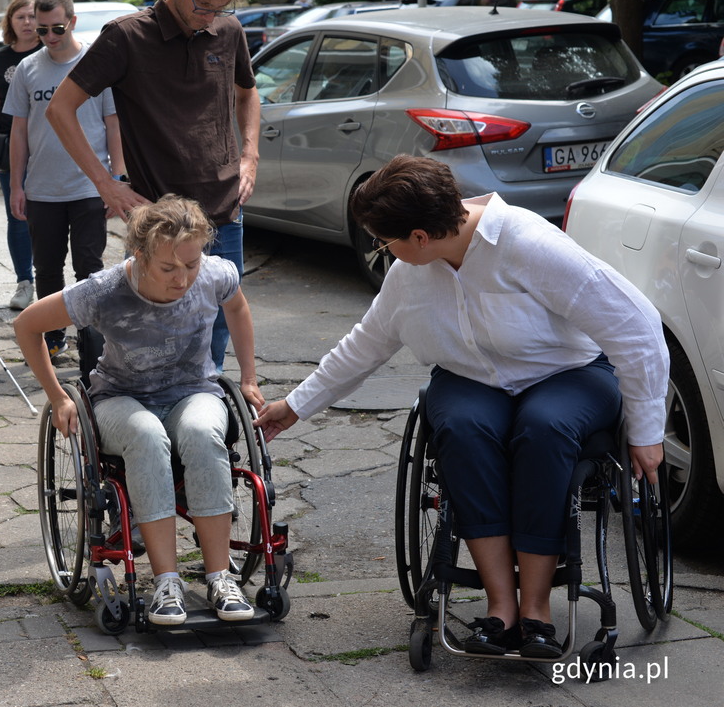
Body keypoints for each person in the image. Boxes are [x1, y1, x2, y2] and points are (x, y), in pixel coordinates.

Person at [255, 155, 669, 658]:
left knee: (544, 428)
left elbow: (635, 324)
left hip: (568, 372)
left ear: (420, 237)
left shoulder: (525, 242)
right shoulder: (409, 275)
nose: (384, 251)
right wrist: (297, 405)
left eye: (387, 241)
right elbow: (366, 343)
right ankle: (501, 607)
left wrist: (646, 430)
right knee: (461, 427)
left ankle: (536, 608)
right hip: (471, 379)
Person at [15, 195, 264, 625]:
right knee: (147, 435)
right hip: (120, 397)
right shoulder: (105, 290)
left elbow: (238, 307)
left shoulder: (216, 274)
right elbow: (27, 325)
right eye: (169, 268)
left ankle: (219, 576)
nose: (183, 278)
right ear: (140, 256)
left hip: (192, 389)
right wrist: (57, 396)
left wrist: (248, 377)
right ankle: (167, 582)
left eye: (191, 264)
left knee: (203, 434)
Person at [47, 0, 261, 374]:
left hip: (225, 209)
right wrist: (107, 184)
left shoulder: (228, 29)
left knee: (217, 331)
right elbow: (60, 109)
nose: (210, 16)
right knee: (152, 332)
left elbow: (248, 93)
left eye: (221, 7)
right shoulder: (127, 36)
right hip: (157, 217)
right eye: (202, 4)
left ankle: (210, 426)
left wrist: (250, 156)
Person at [3, 0, 123, 376]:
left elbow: (112, 122)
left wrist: (116, 179)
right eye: (42, 31)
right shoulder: (28, 69)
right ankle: (52, 340)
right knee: (48, 268)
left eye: (57, 28)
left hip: (90, 185)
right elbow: (18, 132)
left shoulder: (94, 62)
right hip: (43, 188)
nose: (50, 38)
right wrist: (17, 185)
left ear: (71, 22)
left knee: (89, 268)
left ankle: (93, 344)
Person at [0, 0, 42, 311]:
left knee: (48, 216)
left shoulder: (49, 52)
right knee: (17, 215)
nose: (27, 22)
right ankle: (24, 281)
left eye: (33, 16)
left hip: (46, 145)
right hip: (10, 147)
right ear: (10, 22)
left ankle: (50, 278)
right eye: (20, 17)